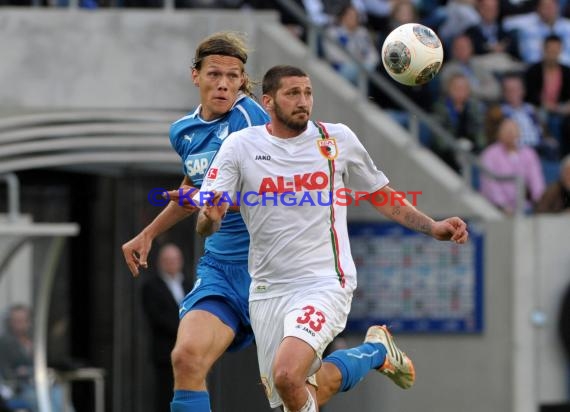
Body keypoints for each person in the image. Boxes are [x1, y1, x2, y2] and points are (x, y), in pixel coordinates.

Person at [122, 33, 393, 412]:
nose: (224, 84)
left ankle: (372, 353)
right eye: (214, 74)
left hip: (275, 270)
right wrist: (148, 233)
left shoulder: (252, 120)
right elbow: (194, 188)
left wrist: (215, 205)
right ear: (194, 76)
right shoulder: (183, 131)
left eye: (233, 76)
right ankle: (373, 352)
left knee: (292, 389)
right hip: (221, 266)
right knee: (186, 359)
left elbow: (273, 195)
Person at [190, 64, 469, 412]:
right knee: (302, 393)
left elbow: (381, 195)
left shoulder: (336, 139)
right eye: (292, 93)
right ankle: (375, 352)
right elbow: (207, 223)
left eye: (307, 93)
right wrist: (210, 217)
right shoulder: (240, 146)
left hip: (325, 282)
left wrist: (433, 226)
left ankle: (371, 352)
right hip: (267, 290)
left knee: (288, 376)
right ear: (269, 102)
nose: (303, 101)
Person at [141, 244, 192, 412]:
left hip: (190, 353)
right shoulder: (151, 286)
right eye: (168, 260)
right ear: (160, 262)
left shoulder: (189, 284)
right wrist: (187, 330)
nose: (172, 263)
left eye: (175, 260)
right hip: (165, 353)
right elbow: (159, 318)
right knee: (166, 395)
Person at [0, 304, 66, 412]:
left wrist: (28, 370)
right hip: (21, 388)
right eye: (15, 321)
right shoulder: (5, 343)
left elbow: (46, 364)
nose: (19, 324)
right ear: (10, 322)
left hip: (45, 383)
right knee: (43, 402)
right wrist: (25, 372)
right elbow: (7, 373)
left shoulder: (36, 339)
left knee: (61, 397)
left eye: (22, 320)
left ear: (29, 321)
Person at [479, 117, 546, 214]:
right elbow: (490, 184)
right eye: (506, 130)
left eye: (513, 130)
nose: (510, 133)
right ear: (499, 134)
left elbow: (536, 180)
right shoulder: (490, 154)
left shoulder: (529, 153)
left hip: (524, 207)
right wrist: (503, 206)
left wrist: (540, 202)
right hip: (495, 208)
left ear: (519, 133)